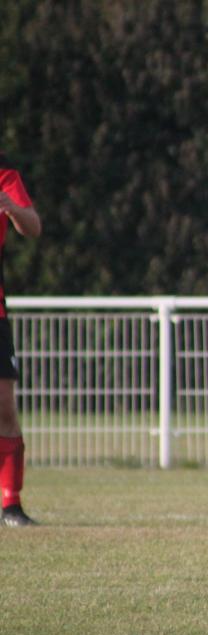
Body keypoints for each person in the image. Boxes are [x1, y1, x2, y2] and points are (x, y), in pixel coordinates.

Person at [0, 152, 42, 527]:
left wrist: (11, 208)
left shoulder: (5, 176)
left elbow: (33, 228)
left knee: (5, 408)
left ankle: (11, 503)